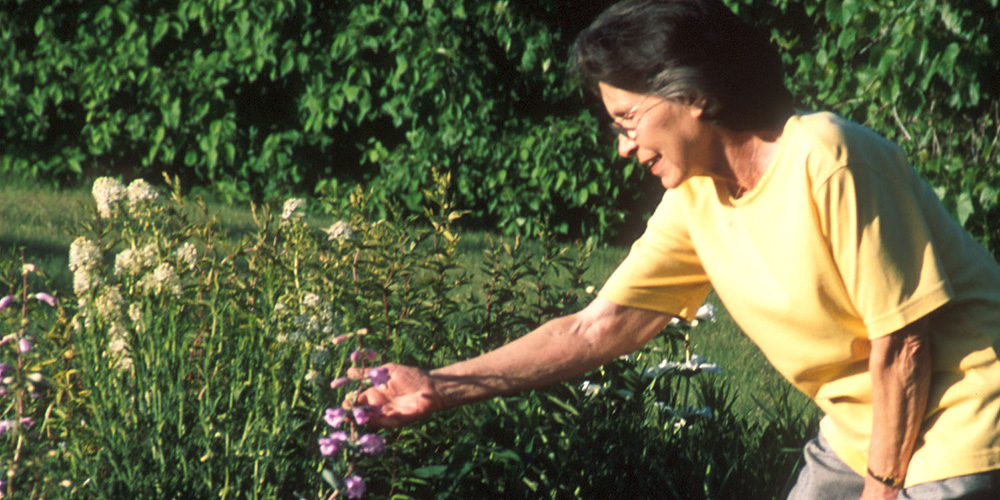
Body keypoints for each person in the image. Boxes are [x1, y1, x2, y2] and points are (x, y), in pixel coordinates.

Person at [351, 1, 1000, 498]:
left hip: (964, 415)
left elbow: (905, 342)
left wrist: (882, 489)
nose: (623, 148)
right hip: (862, 431)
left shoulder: (826, 156)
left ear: (691, 95)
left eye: (627, 121)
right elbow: (593, 330)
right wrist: (439, 385)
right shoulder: (696, 202)